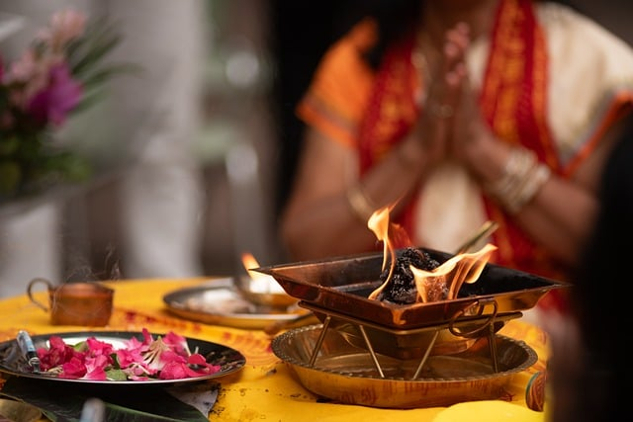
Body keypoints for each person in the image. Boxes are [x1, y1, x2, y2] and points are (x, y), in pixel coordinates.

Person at [279, 0, 633, 318]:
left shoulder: (586, 60)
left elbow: (613, 247)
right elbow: (306, 244)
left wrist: (481, 149)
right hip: (388, 345)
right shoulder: (361, 58)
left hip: (544, 351)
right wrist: (416, 151)